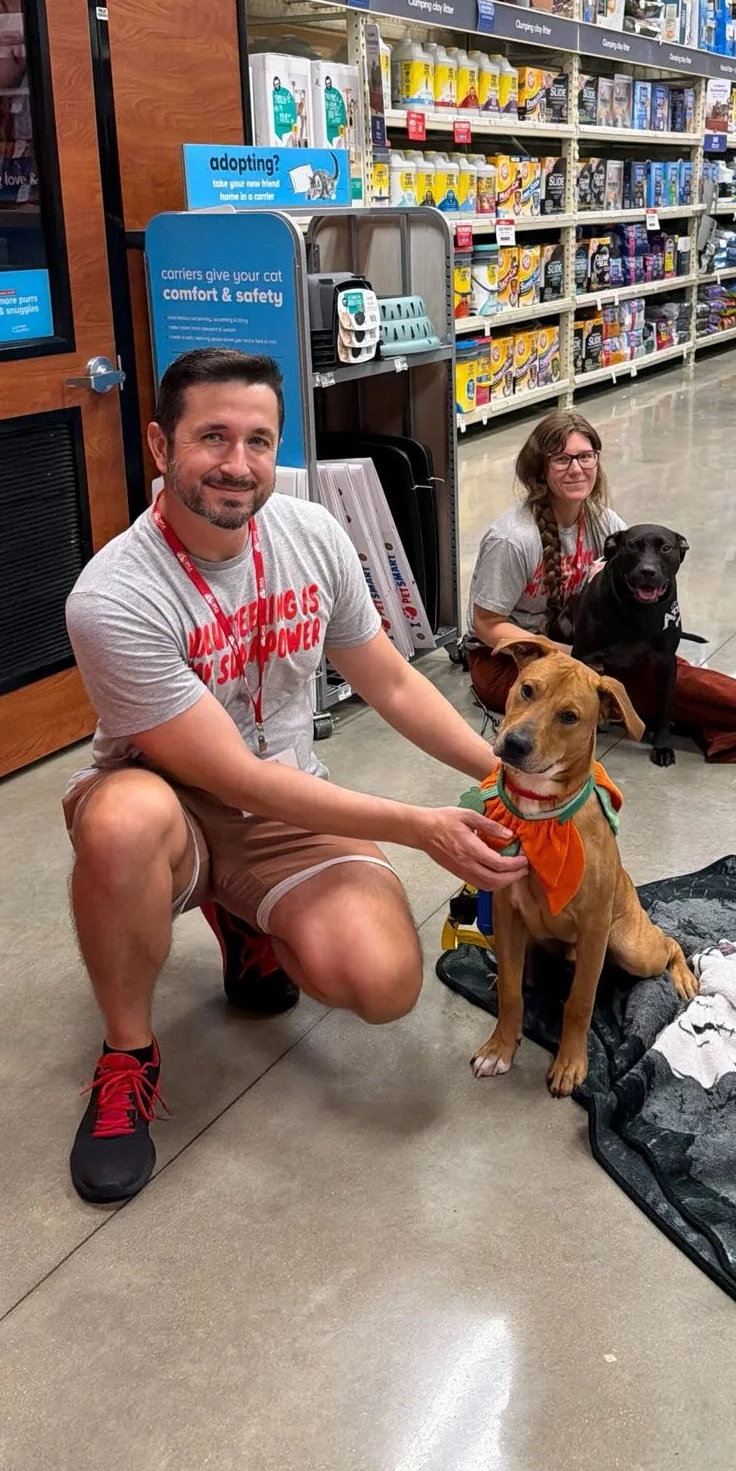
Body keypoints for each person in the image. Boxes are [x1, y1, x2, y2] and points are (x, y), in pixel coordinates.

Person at [62, 348, 523, 1205]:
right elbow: (234, 777)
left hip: (284, 802)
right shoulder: (114, 596)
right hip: (168, 801)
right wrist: (421, 825)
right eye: (212, 438)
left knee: (383, 984)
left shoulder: (310, 535)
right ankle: (128, 1053)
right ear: (161, 447)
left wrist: (504, 772)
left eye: (258, 441)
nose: (237, 465)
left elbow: (386, 678)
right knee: (122, 824)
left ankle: (247, 923)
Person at [464, 409, 736, 775]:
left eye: (586, 456)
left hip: (587, 649)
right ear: (540, 469)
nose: (577, 468)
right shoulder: (513, 538)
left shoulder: (606, 522)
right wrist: (558, 653)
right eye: (562, 459)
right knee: (663, 691)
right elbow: (485, 625)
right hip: (513, 665)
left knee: (673, 677)